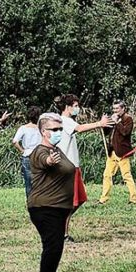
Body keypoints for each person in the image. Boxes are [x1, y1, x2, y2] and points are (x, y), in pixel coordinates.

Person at [26, 114, 76, 272]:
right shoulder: (41, 151)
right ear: (43, 132)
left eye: (60, 129)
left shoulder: (57, 149)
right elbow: (44, 160)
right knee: (52, 246)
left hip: (59, 207)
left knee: (55, 246)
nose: (58, 132)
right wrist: (50, 161)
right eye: (54, 130)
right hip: (45, 207)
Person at [53, 94, 113, 241]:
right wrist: (99, 123)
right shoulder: (64, 121)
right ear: (67, 107)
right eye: (75, 106)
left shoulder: (68, 121)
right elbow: (80, 128)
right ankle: (63, 234)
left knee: (79, 200)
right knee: (68, 202)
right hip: (67, 168)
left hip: (74, 167)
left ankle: (61, 229)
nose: (77, 109)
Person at [97, 100, 136, 205]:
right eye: (114, 109)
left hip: (123, 153)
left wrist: (117, 122)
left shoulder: (128, 119)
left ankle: (133, 199)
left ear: (123, 108)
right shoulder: (113, 118)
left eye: (117, 109)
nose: (115, 111)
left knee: (126, 176)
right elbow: (106, 133)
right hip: (112, 152)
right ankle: (103, 199)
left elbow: (125, 132)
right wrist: (104, 123)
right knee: (107, 175)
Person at [12, 107, 43, 199]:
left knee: (29, 182)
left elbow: (14, 141)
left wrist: (22, 150)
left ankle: (30, 203)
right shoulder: (41, 129)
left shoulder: (23, 128)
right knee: (41, 181)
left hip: (27, 155)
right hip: (40, 155)